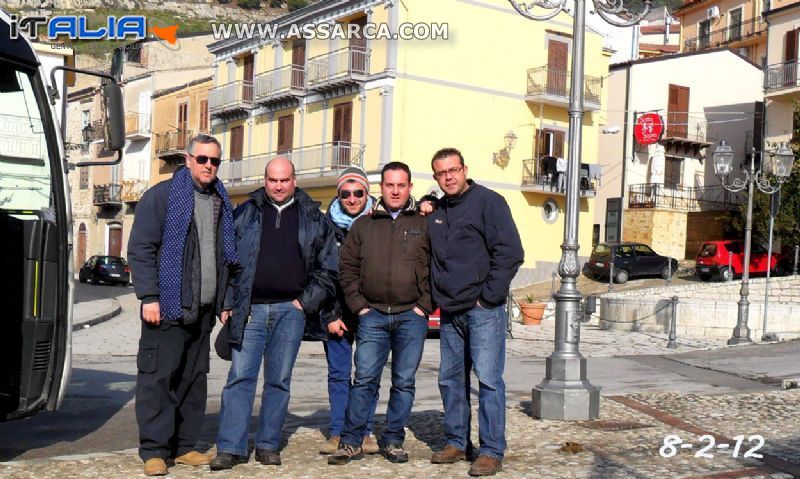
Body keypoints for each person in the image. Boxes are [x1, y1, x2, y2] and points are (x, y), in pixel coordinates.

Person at [210, 157, 338, 471]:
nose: (278, 186)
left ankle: (268, 444)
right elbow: (228, 262)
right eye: (272, 180)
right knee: (240, 378)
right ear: (265, 180)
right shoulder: (246, 213)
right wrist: (228, 302)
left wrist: (304, 303)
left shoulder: (313, 218)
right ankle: (231, 447)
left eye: (283, 180)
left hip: (290, 312)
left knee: (279, 380)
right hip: (249, 310)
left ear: (294, 180)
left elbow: (328, 268)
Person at [128, 134, 240, 477]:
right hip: (166, 308)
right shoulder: (161, 197)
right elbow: (141, 249)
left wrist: (224, 301)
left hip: (203, 309)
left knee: (193, 380)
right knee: (158, 379)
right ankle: (154, 450)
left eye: (215, 161)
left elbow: (224, 258)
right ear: (188, 159)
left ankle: (185, 446)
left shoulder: (220, 200)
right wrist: (149, 296)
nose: (209, 166)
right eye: (203, 159)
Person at [328, 162, 433, 466]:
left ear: (410, 187)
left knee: (403, 381)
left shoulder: (423, 224)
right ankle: (351, 441)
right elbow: (347, 268)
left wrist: (423, 306)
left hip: (411, 317)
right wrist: (359, 305)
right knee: (364, 380)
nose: (395, 191)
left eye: (401, 185)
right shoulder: (364, 224)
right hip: (371, 315)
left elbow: (435, 266)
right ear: (381, 188)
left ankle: (394, 440)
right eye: (390, 185)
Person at [427, 148, 524, 477]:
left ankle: (491, 450)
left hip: (482, 310)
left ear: (465, 169)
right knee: (450, 380)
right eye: (442, 173)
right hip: (450, 312)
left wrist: (488, 298)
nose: (449, 177)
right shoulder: (437, 210)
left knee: (488, 381)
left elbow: (510, 251)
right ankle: (456, 441)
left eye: (453, 170)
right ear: (436, 178)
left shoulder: (489, 202)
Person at [318, 166, 380, 455]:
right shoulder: (325, 226)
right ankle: (338, 430)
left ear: (367, 193)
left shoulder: (380, 222)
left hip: (371, 311)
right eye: (346, 193)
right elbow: (319, 272)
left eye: (358, 192)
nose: (352, 198)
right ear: (338, 194)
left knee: (367, 375)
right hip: (337, 311)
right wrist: (330, 313)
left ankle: (364, 430)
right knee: (339, 373)